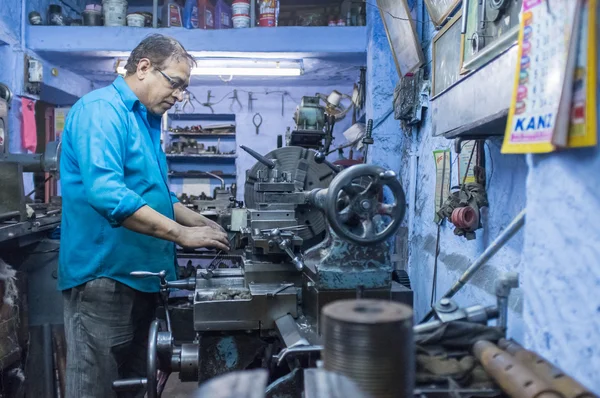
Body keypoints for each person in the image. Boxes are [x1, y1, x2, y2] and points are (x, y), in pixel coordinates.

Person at [58, 34, 229, 398]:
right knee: (95, 387)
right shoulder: (101, 112)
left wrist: (194, 220)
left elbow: (156, 195)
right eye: (176, 84)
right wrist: (182, 236)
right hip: (104, 278)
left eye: (183, 89)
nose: (178, 96)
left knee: (136, 386)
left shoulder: (146, 122)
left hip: (143, 278)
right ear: (144, 67)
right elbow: (108, 194)